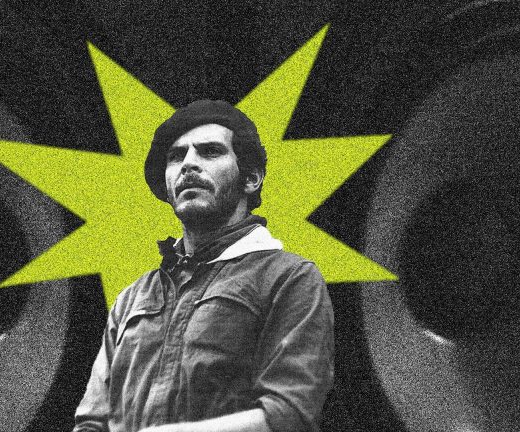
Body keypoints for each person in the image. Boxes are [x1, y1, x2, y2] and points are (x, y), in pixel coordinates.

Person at [73, 99, 334, 432]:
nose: (188, 164)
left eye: (210, 152)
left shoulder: (290, 279)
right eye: (176, 156)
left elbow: (291, 414)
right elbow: (91, 421)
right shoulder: (130, 299)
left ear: (251, 178)